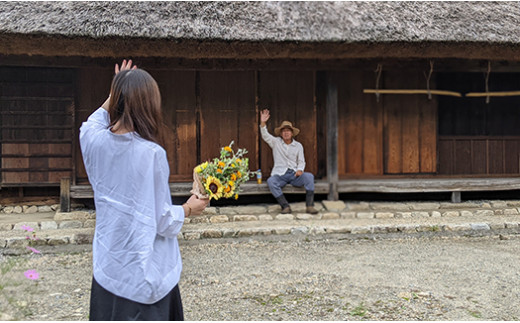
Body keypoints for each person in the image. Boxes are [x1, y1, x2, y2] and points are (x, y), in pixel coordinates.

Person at [80, 59, 208, 321]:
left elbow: (92, 121)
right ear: (148, 105)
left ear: (118, 100)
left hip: (109, 264)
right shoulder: (150, 154)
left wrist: (116, 91)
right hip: (142, 271)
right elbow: (161, 220)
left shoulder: (93, 140)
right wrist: (188, 209)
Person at [259, 109, 319, 215]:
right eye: (283, 131)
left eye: (288, 131)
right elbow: (265, 135)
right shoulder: (276, 142)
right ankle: (285, 206)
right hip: (280, 174)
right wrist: (263, 122)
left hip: (294, 174)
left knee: (309, 177)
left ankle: (310, 206)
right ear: (281, 133)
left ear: (292, 133)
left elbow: (301, 161)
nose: (286, 133)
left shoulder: (298, 145)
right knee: (271, 181)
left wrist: (300, 170)